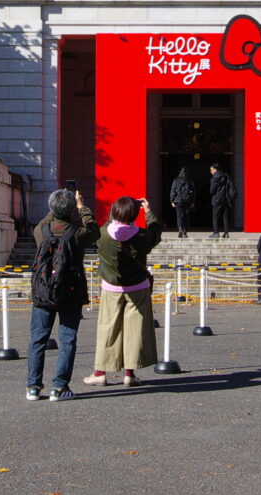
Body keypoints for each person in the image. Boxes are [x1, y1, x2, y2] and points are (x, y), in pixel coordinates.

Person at [25, 187, 94, 401]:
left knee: (38, 339)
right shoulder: (78, 233)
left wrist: (56, 206)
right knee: (68, 339)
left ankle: (33, 387)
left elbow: (44, 221)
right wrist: (82, 208)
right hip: (70, 291)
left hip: (43, 291)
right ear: (72, 210)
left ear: (51, 209)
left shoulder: (41, 232)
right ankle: (60, 386)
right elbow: (94, 229)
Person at [87, 195, 162, 387]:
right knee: (134, 330)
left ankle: (100, 372)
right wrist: (148, 212)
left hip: (111, 287)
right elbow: (155, 231)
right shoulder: (142, 237)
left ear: (114, 213)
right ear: (134, 215)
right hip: (137, 287)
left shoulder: (103, 234)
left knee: (107, 328)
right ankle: (130, 373)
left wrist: (114, 209)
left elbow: (103, 226)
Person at [207, 163, 238, 240]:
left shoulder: (214, 178)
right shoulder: (226, 176)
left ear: (215, 169)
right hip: (226, 199)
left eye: (211, 170)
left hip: (217, 199)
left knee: (215, 216)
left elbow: (212, 191)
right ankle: (226, 233)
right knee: (225, 216)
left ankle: (216, 232)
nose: (210, 171)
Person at [167, 168, 196, 238]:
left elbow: (173, 190)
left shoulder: (176, 180)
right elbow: (193, 192)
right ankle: (185, 232)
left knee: (179, 216)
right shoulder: (190, 180)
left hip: (178, 201)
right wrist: (193, 201)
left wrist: (172, 200)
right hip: (187, 201)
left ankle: (180, 229)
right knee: (186, 217)